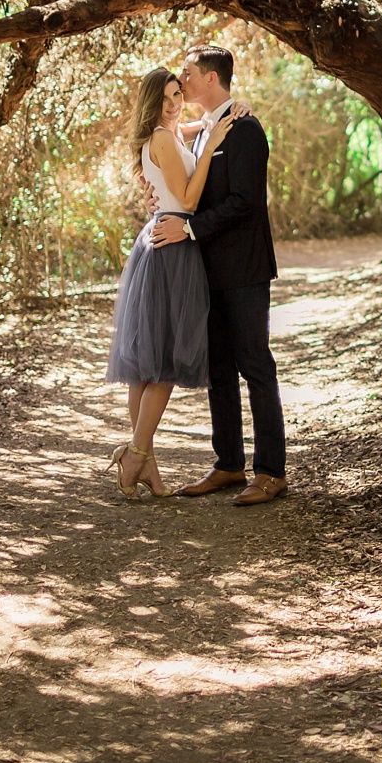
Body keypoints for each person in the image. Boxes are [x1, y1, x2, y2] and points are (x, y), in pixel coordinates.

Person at [148, 45, 289, 506]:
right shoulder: (198, 130)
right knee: (219, 370)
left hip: (244, 269)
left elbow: (245, 201)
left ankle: (271, 472)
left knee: (255, 365)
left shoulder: (246, 129)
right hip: (204, 269)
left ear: (211, 79)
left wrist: (188, 226)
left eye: (188, 74)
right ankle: (228, 463)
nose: (182, 81)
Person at [104, 67, 233, 498]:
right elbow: (190, 198)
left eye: (178, 93)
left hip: (161, 237)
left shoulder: (169, 133)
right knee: (163, 362)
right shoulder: (162, 137)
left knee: (147, 364)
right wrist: (212, 142)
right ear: (151, 105)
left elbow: (192, 126)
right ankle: (135, 455)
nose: (175, 104)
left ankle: (146, 466)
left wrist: (213, 121)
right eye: (165, 99)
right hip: (171, 245)